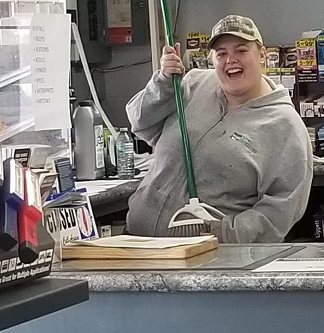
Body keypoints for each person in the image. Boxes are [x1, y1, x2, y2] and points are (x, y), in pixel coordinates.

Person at [126, 15, 313, 243]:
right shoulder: (193, 84)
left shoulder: (285, 125)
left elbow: (281, 210)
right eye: (221, 53)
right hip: (137, 243)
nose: (230, 60)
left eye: (241, 50)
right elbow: (140, 122)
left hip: (210, 256)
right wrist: (163, 84)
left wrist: (226, 235)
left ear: (262, 55)